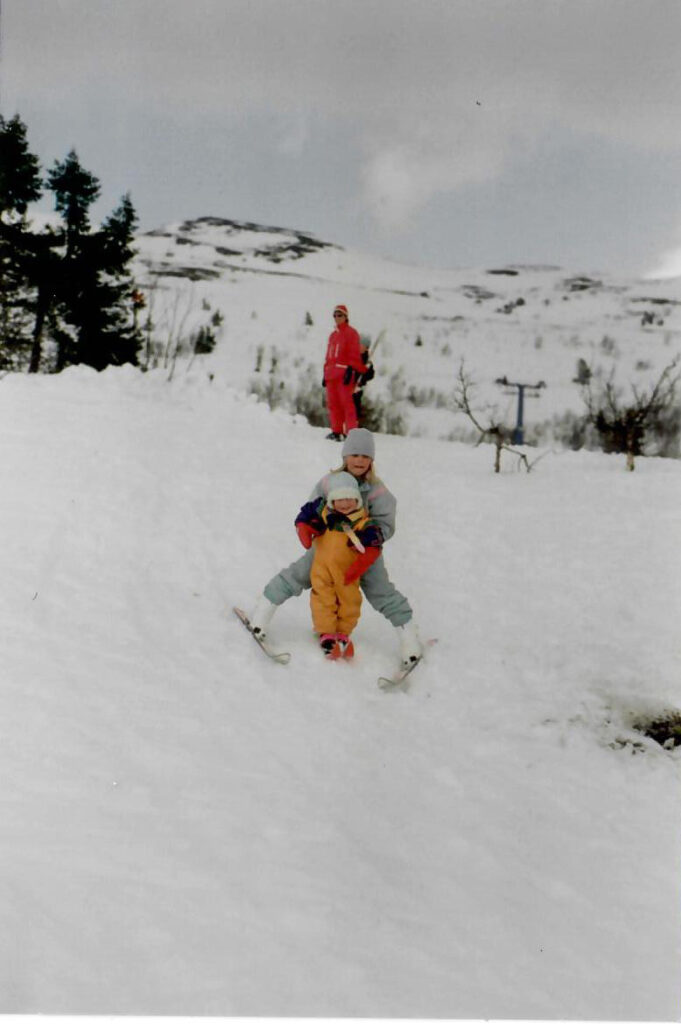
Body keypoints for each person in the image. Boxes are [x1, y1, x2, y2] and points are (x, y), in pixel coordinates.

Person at [248, 427, 423, 667]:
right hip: (327, 547)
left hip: (362, 553)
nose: (359, 460)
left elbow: (385, 523)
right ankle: (261, 617)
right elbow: (312, 506)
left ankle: (409, 640)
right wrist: (309, 524)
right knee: (297, 576)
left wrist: (372, 541)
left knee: (381, 591)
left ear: (371, 459)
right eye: (354, 455)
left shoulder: (378, 491)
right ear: (345, 457)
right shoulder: (329, 482)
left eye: (364, 456)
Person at [295, 470, 383, 659]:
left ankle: (343, 633)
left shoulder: (362, 522)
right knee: (322, 599)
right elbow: (305, 512)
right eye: (339, 500)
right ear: (332, 501)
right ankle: (326, 633)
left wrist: (367, 555)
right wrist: (303, 526)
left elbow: (374, 539)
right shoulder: (324, 513)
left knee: (350, 602)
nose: (344, 504)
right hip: (322, 570)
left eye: (349, 499)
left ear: (357, 500)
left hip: (348, 573)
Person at [322, 304, 366, 441]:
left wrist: (352, 369)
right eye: (335, 315)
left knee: (347, 404)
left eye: (340, 315)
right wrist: (325, 372)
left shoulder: (351, 333)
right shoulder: (332, 336)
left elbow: (354, 355)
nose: (337, 318)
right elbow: (328, 356)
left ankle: (351, 433)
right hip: (331, 374)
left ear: (346, 317)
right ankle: (336, 431)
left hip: (343, 373)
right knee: (333, 404)